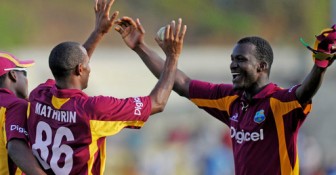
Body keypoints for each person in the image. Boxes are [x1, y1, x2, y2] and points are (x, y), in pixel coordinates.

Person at [115, 17, 336, 175]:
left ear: (262, 66)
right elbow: (182, 83)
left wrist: (320, 64)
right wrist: (139, 47)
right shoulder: (230, 98)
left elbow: (304, 92)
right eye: (232, 59)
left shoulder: (279, 102)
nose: (233, 65)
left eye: (240, 60)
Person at [26, 1, 187, 175]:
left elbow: (71, 62)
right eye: (87, 64)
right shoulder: (93, 110)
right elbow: (157, 103)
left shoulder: (39, 95)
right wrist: (173, 56)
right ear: (81, 69)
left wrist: (99, 32)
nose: (89, 67)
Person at [0, 51, 46, 175]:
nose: (26, 79)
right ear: (13, 75)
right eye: (24, 73)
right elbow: (15, 148)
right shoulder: (16, 105)